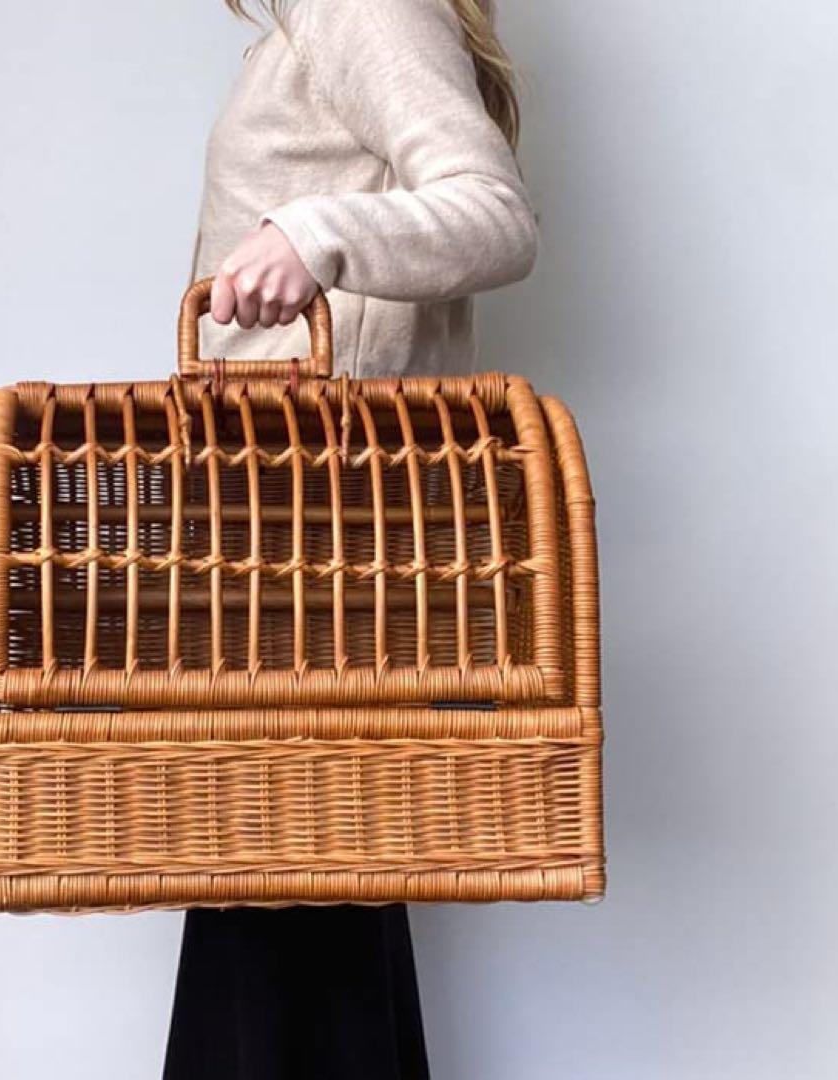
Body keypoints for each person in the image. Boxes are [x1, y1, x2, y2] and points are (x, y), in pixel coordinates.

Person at [163, 1, 539, 1077]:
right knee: (309, 897)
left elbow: (496, 216)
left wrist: (314, 235)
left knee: (276, 900)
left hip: (317, 535)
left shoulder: (358, 4)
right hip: (283, 534)